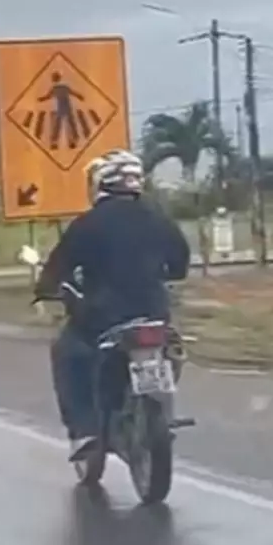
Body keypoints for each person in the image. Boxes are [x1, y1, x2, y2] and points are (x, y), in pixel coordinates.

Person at [34, 149, 191, 460]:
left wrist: (46, 288)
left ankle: (84, 431)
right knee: (171, 347)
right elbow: (180, 265)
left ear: (101, 183)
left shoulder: (88, 224)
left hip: (104, 317)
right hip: (154, 314)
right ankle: (157, 408)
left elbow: (58, 268)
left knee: (68, 352)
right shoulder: (159, 219)